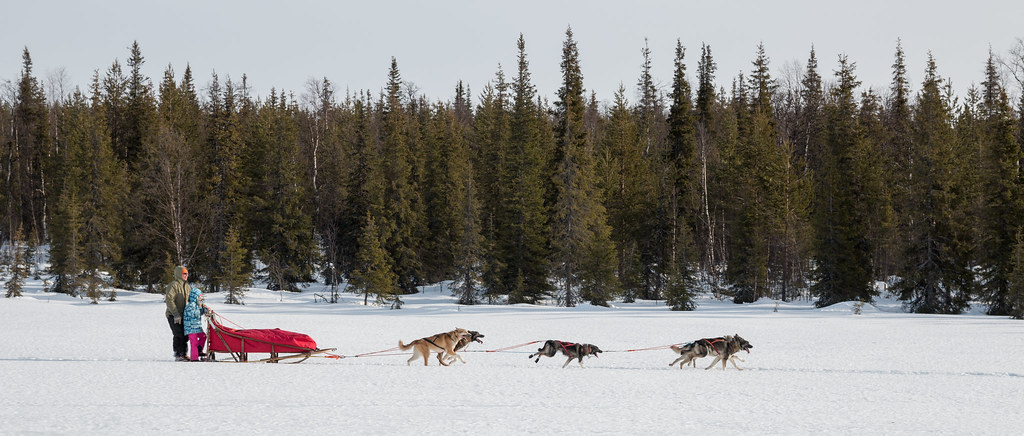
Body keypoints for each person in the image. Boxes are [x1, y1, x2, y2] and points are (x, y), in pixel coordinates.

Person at [164, 265, 190, 361]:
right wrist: (175, 314)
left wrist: (201, 306)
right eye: (184, 273)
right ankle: (178, 354)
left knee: (185, 335)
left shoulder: (187, 286)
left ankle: (184, 353)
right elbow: (169, 300)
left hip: (184, 315)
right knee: (178, 334)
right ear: (179, 274)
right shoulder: (173, 285)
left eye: (187, 273)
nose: (186, 275)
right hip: (173, 315)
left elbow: (192, 299)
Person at [183, 285, 210, 361]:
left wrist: (204, 309)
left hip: (197, 327)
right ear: (195, 297)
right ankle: (194, 358)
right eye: (199, 296)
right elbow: (194, 314)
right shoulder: (190, 305)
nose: (201, 298)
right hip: (191, 328)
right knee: (194, 342)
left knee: (203, 336)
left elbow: (199, 313)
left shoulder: (197, 305)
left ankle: (199, 350)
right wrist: (201, 308)